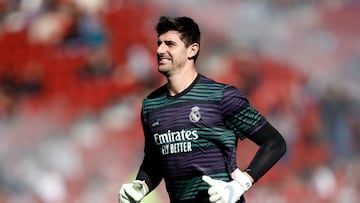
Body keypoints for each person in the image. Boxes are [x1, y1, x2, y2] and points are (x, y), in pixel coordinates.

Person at [119, 16, 286, 203]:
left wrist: (241, 184)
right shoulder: (151, 105)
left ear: (192, 50)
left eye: (170, 44)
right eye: (159, 44)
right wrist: (141, 185)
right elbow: (154, 160)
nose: (160, 50)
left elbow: (275, 143)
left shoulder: (222, 96)